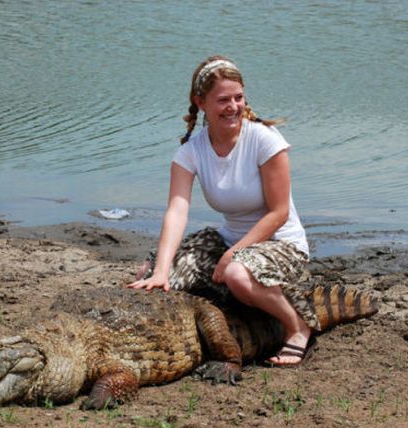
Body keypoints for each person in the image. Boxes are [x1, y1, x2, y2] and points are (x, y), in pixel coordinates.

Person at [128, 55, 317, 366]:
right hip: (231, 240)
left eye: (238, 97)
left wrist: (233, 254)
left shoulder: (265, 140)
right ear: (200, 102)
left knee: (236, 274)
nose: (233, 106)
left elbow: (279, 213)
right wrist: (161, 270)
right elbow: (177, 211)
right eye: (223, 100)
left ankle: (297, 326)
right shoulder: (191, 150)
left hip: (281, 243)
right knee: (149, 273)